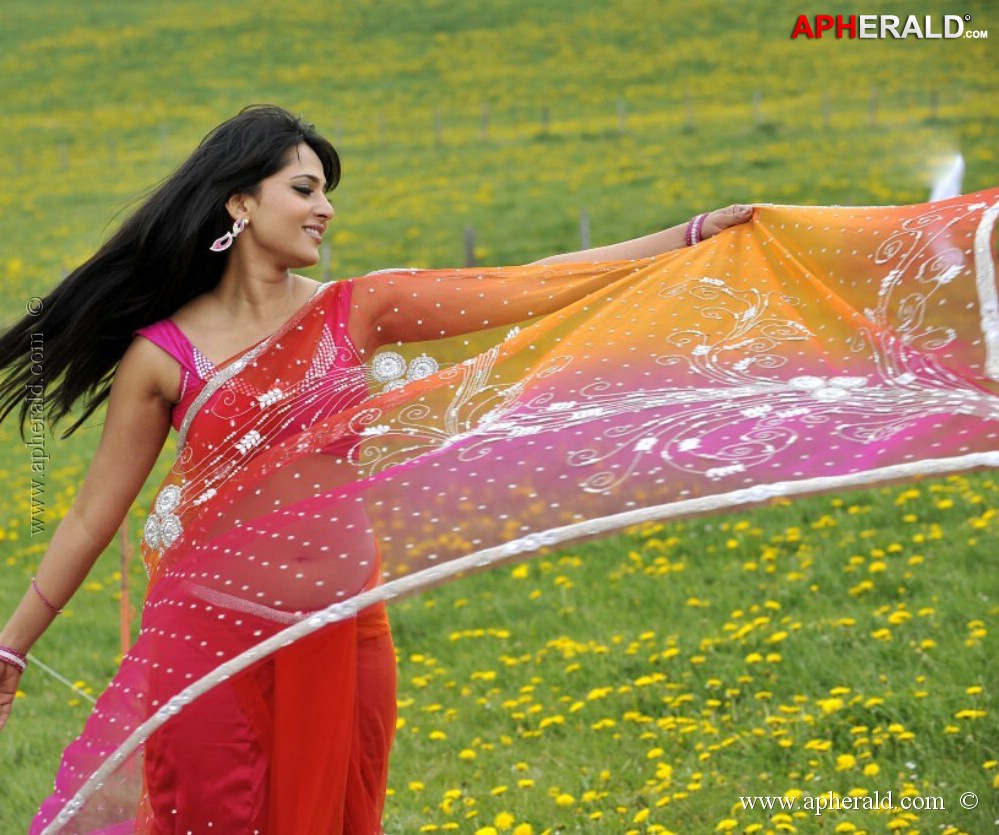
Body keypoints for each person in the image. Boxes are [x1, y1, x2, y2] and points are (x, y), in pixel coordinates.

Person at [0, 105, 756, 834]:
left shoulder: (356, 310)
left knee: (338, 816)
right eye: (303, 188)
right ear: (239, 202)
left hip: (344, 625)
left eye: (327, 191)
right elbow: (90, 517)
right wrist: (11, 647)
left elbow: (526, 282)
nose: (324, 208)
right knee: (212, 821)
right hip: (209, 639)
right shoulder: (163, 355)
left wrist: (686, 237)